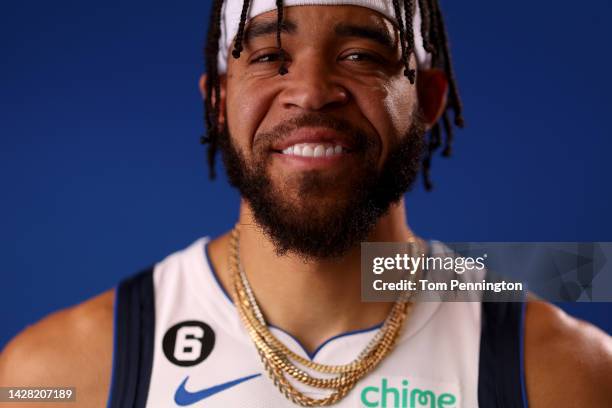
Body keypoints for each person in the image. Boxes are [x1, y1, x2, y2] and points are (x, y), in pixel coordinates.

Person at [1, 0, 611, 406]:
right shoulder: (60, 374)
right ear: (218, 103)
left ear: (428, 99)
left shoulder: (566, 372)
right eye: (269, 57)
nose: (313, 93)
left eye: (361, 56)